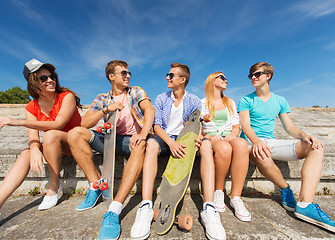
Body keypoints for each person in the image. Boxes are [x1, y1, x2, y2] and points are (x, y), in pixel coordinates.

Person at [130, 62, 225, 240]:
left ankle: (209, 209)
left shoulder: (194, 100)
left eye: (171, 75)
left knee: (205, 145)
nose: (167, 77)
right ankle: (146, 205)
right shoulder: (161, 99)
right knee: (150, 145)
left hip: (185, 140)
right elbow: (156, 126)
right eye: (168, 75)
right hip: (166, 139)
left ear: (183, 79)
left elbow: (194, 125)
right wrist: (170, 143)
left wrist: (197, 136)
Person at [238, 62, 335, 233]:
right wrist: (257, 142)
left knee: (315, 147)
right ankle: (285, 189)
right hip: (250, 142)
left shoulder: (280, 100)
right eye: (251, 75)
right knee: (262, 154)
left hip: (271, 141)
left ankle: (305, 204)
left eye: (257, 74)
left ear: (268, 76)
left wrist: (305, 136)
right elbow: (245, 126)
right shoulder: (246, 100)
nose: (253, 77)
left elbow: (289, 127)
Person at [67, 60, 154, 240]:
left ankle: (114, 210)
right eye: (123, 73)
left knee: (140, 145)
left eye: (129, 73)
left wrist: (143, 134)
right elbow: (84, 123)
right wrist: (107, 108)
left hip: (132, 140)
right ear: (111, 76)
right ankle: (96, 186)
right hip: (110, 140)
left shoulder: (136, 91)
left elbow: (149, 110)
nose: (128, 76)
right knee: (75, 133)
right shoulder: (102, 98)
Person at [0, 58, 82, 211]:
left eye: (52, 77)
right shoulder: (31, 107)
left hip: (74, 143)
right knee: (26, 154)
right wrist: (35, 149)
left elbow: (58, 125)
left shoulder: (66, 97)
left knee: (50, 134)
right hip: (53, 147)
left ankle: (54, 185)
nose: (50, 80)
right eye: (43, 78)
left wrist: (19, 122)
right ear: (33, 82)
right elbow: (33, 137)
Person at [200, 72, 251, 223]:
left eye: (226, 78)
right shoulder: (202, 103)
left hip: (229, 135)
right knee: (224, 148)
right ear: (212, 81)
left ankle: (236, 197)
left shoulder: (230, 102)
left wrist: (233, 135)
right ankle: (218, 191)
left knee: (242, 144)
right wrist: (208, 136)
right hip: (213, 137)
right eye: (221, 77)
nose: (225, 80)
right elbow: (197, 125)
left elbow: (236, 125)